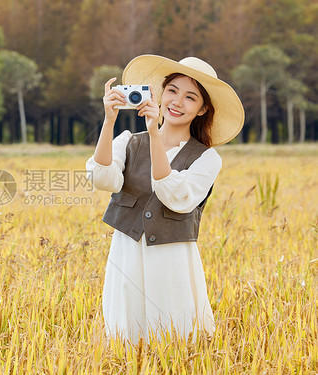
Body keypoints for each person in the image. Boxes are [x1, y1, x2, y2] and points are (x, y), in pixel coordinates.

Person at [85, 55, 244, 344]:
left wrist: (155, 135)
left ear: (202, 109)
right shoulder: (126, 141)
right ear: (159, 94)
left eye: (190, 97)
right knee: (126, 335)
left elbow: (176, 197)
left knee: (174, 334)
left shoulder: (207, 158)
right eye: (172, 91)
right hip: (127, 251)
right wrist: (108, 123)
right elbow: (102, 178)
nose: (177, 102)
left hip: (172, 256)